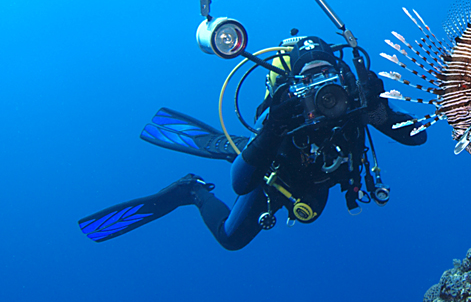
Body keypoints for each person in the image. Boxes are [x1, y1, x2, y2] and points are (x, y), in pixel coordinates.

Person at [78, 36, 425, 250]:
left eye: (328, 76)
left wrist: (379, 109)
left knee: (311, 214)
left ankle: (241, 147)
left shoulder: (353, 104)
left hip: (315, 180)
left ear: (342, 76)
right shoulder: (286, 115)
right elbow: (240, 183)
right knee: (230, 239)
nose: (323, 90)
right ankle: (192, 191)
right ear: (293, 85)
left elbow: (417, 137)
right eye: (310, 79)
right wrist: (274, 128)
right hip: (275, 172)